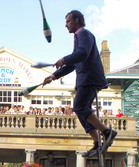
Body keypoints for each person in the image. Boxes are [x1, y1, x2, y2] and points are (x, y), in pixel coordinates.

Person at [43, 10, 117, 158]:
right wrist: (54, 75)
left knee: (79, 107)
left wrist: (63, 59)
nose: (66, 25)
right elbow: (74, 64)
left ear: (76, 20)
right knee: (81, 109)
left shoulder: (84, 34)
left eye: (68, 21)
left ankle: (107, 132)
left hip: (90, 77)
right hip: (85, 78)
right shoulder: (78, 38)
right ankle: (97, 142)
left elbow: (82, 54)